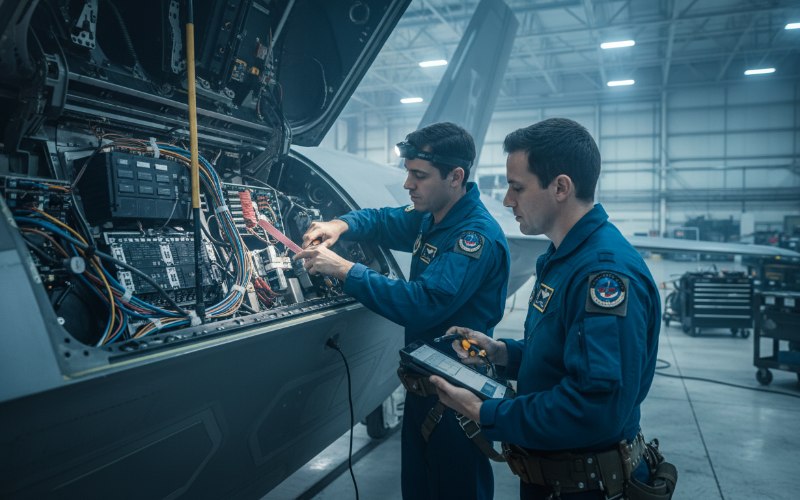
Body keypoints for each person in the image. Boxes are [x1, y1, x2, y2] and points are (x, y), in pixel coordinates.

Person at [429, 118, 663, 500]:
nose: (507, 200)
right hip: (558, 481)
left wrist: (483, 411)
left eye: (517, 187)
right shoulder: (564, 258)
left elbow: (593, 407)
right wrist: (503, 352)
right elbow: (566, 354)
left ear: (560, 187)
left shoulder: (602, 274)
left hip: (586, 489)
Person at [294, 121, 510, 500]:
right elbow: (382, 220)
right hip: (425, 387)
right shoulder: (434, 217)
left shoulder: (472, 237)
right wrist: (339, 224)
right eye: (408, 173)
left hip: (459, 399)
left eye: (419, 175)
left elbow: (423, 304)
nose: (408, 184)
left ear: (455, 176)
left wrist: (343, 269)